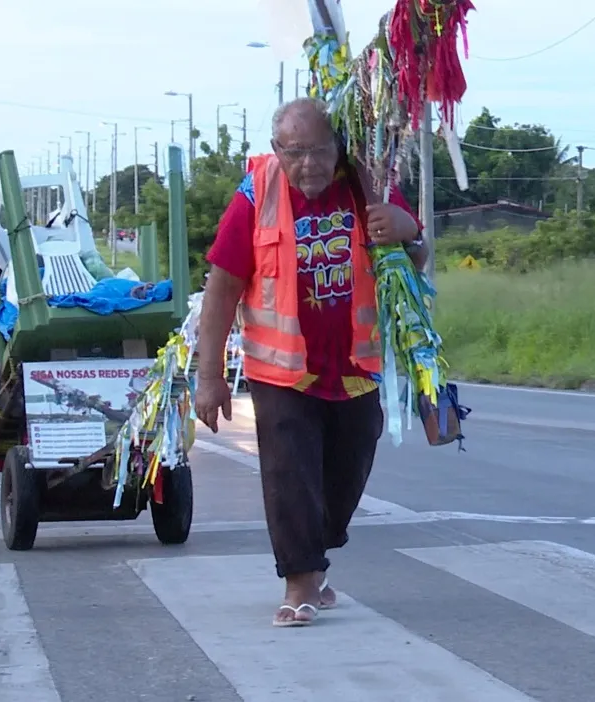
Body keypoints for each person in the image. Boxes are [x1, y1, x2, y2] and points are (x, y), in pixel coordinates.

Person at [194, 98, 425, 627]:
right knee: (289, 472)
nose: (308, 165)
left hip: (355, 367)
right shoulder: (257, 193)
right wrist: (209, 379)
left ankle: (314, 562)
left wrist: (408, 230)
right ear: (276, 150)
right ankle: (298, 583)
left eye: (319, 151)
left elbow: (413, 262)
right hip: (282, 372)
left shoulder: (368, 184)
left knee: (347, 471)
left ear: (338, 146)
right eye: (294, 153)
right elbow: (222, 287)